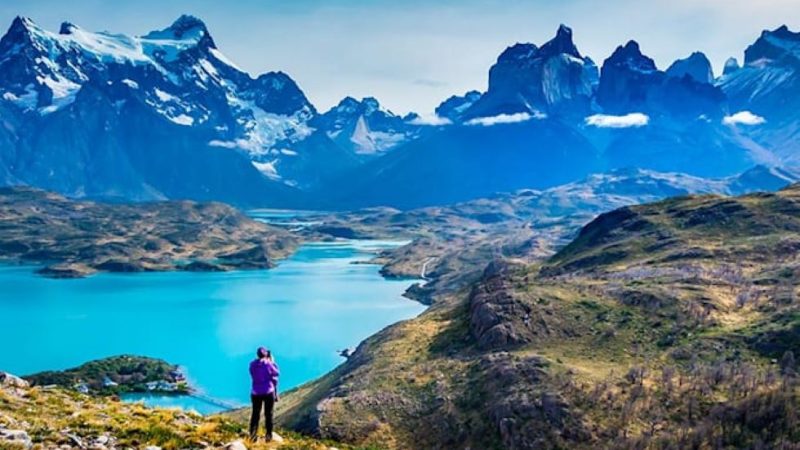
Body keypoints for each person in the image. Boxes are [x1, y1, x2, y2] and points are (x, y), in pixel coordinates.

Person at [249, 347, 280, 441]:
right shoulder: (269, 364)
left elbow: (252, 373)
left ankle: (253, 436)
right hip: (268, 392)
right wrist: (272, 362)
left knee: (255, 414)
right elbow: (277, 373)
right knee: (268, 414)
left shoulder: (252, 364)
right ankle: (268, 437)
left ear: (257, 354)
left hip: (255, 392)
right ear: (266, 354)